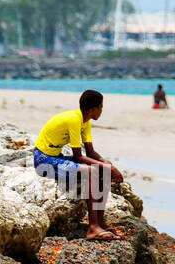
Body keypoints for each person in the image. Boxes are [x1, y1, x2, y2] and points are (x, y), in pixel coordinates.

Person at [32, 89, 124, 240]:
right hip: (44, 160)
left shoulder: (85, 121)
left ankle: (101, 223)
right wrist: (108, 167)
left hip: (57, 157)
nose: (101, 111)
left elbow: (90, 152)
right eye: (101, 107)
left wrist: (107, 164)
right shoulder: (74, 119)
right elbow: (78, 157)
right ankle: (93, 227)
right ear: (93, 109)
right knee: (92, 171)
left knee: (104, 171)